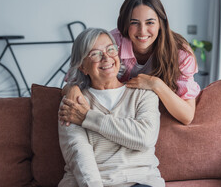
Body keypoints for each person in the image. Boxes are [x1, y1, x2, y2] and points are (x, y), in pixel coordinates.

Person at [62, 0, 200, 125]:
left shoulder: (180, 53)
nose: (142, 31)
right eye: (134, 23)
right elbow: (74, 77)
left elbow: (187, 116)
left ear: (160, 24)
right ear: (125, 24)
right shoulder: (112, 43)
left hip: (150, 116)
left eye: (150, 22)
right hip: (116, 115)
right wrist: (72, 89)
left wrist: (155, 84)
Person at [58, 28, 164, 187]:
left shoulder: (143, 94)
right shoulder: (74, 102)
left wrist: (87, 117)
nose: (106, 57)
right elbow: (78, 153)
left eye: (110, 49)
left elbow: (145, 138)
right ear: (82, 67)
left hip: (139, 182)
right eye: (95, 53)